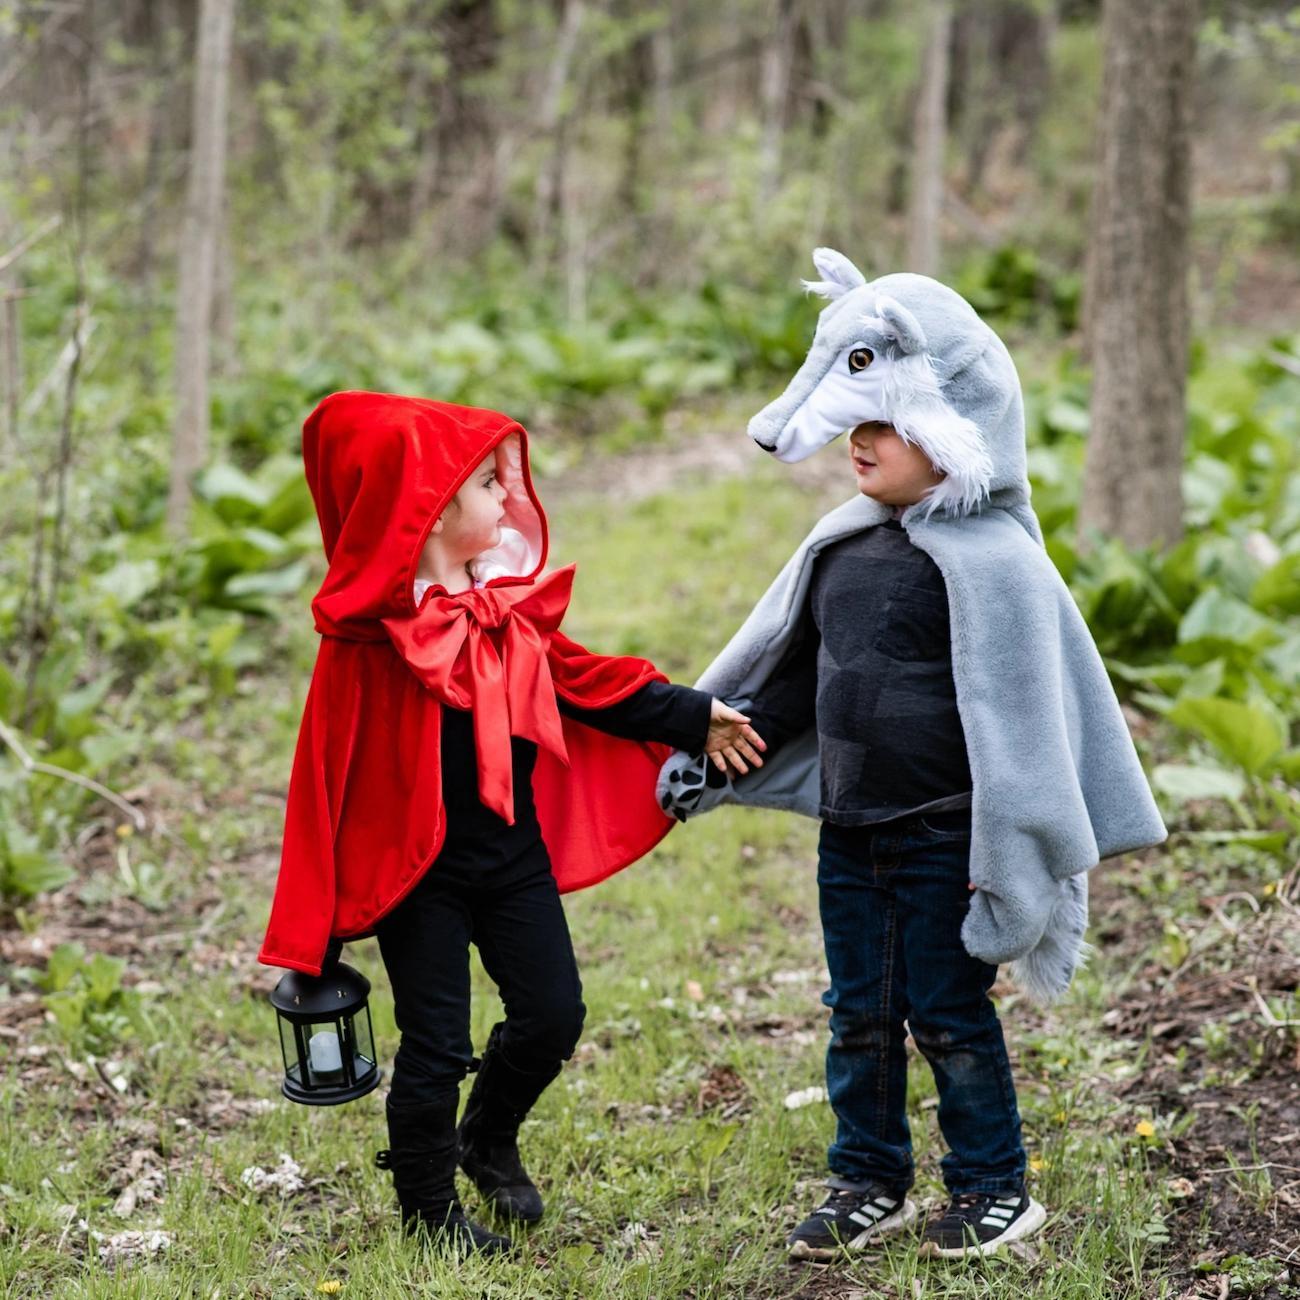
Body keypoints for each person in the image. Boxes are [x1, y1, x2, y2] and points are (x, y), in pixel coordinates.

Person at [658, 252, 1166, 1260]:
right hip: (850, 834)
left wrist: (1011, 850)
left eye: (886, 424)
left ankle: (991, 1188)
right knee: (856, 1015)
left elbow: (1026, 724)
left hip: (948, 838)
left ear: (949, 433)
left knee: (945, 1014)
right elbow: (793, 677)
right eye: (856, 422)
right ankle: (868, 1178)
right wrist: (716, 744)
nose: (862, 441)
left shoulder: (999, 566)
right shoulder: (841, 546)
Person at [258, 392, 763, 1254]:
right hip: (421, 874)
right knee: (435, 1046)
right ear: (428, 509)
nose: (506, 498)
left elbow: (585, 679)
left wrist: (690, 716)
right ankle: (428, 1216)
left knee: (553, 1014)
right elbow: (326, 784)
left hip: (511, 851)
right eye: (488, 484)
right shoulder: (367, 642)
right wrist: (319, 933)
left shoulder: (501, 601)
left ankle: (486, 1137)